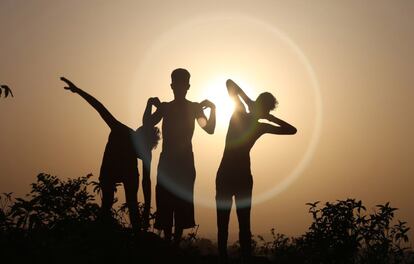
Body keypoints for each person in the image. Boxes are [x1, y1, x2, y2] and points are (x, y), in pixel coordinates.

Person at [61, 77, 160, 232]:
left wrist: (147, 211)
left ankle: (133, 234)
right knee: (108, 203)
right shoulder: (122, 131)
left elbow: (146, 183)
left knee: (131, 204)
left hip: (123, 170)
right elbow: (100, 108)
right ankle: (106, 228)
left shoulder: (143, 150)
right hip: (111, 166)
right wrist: (78, 91)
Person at [216, 79, 297, 263]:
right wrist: (255, 106)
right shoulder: (249, 119)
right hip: (237, 174)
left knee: (235, 222)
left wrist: (251, 104)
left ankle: (235, 257)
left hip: (232, 174)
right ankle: (232, 257)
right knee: (234, 222)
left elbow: (293, 130)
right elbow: (229, 83)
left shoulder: (247, 118)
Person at [146, 68, 216, 244]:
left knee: (180, 201)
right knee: (167, 200)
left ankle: (174, 245)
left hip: (181, 161)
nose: (179, 87)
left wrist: (213, 110)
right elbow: (147, 123)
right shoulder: (168, 108)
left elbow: (209, 129)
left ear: (187, 86)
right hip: (171, 161)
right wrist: (149, 104)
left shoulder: (192, 108)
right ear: (172, 86)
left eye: (182, 84)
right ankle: (170, 243)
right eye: (177, 84)